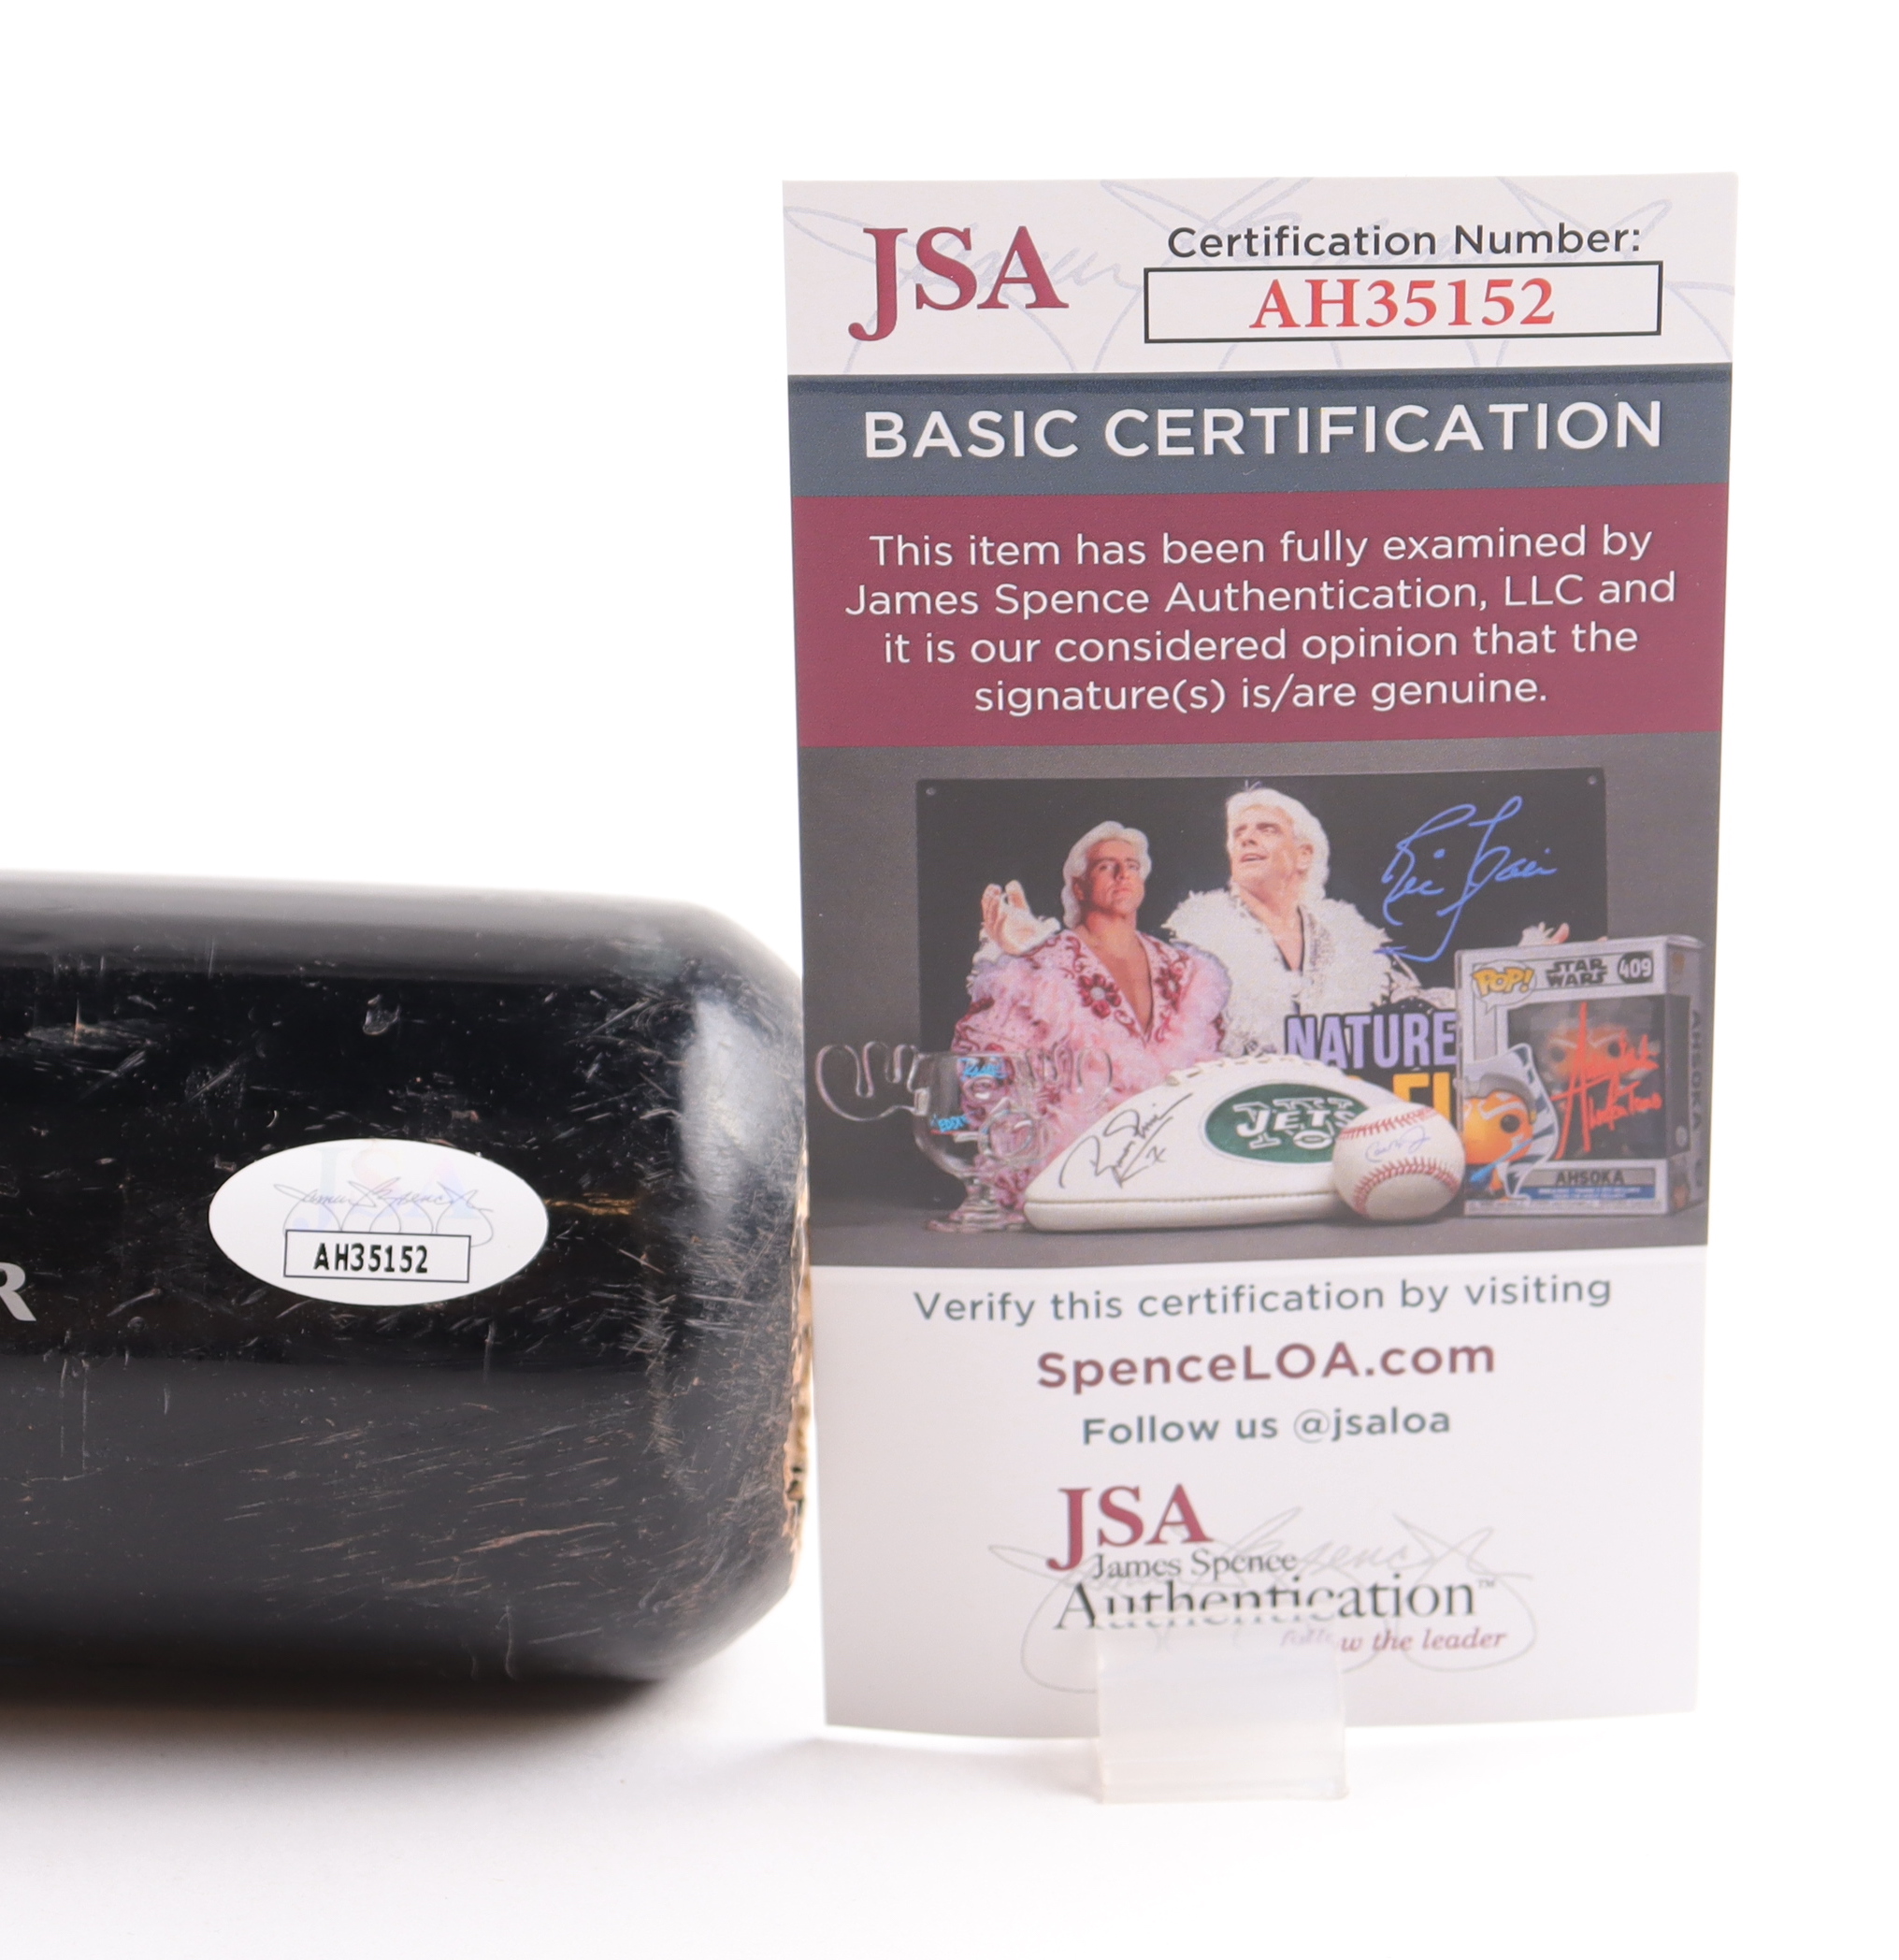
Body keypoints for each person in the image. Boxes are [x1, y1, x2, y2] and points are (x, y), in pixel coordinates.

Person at [955, 822, 1228, 1199]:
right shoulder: (1041, 966)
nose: (1122, 874)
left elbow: (1210, 1070)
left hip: (1171, 1169)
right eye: (1106, 866)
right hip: (1073, 1171)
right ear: (1079, 888)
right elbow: (983, 1068)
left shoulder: (1182, 970)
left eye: (1132, 866)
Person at [1164, 787, 1448, 1056]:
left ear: (1303, 855)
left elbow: (1418, 1008)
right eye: (1238, 832)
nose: (1246, 838)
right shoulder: (1194, 941)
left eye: (1267, 829)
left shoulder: (1353, 941)